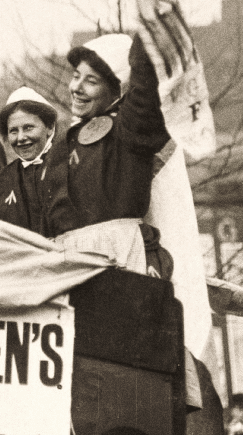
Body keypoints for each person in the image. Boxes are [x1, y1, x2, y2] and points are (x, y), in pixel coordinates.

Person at [35, 31, 171, 276]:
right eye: (76, 76)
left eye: (91, 81)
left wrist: (148, 24)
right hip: (67, 271)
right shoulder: (62, 144)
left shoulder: (128, 131)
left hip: (120, 262)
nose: (76, 88)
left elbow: (144, 87)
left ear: (116, 91)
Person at [0, 87, 59, 233]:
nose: (21, 138)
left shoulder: (69, 168)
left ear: (49, 127)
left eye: (28, 128)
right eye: (13, 131)